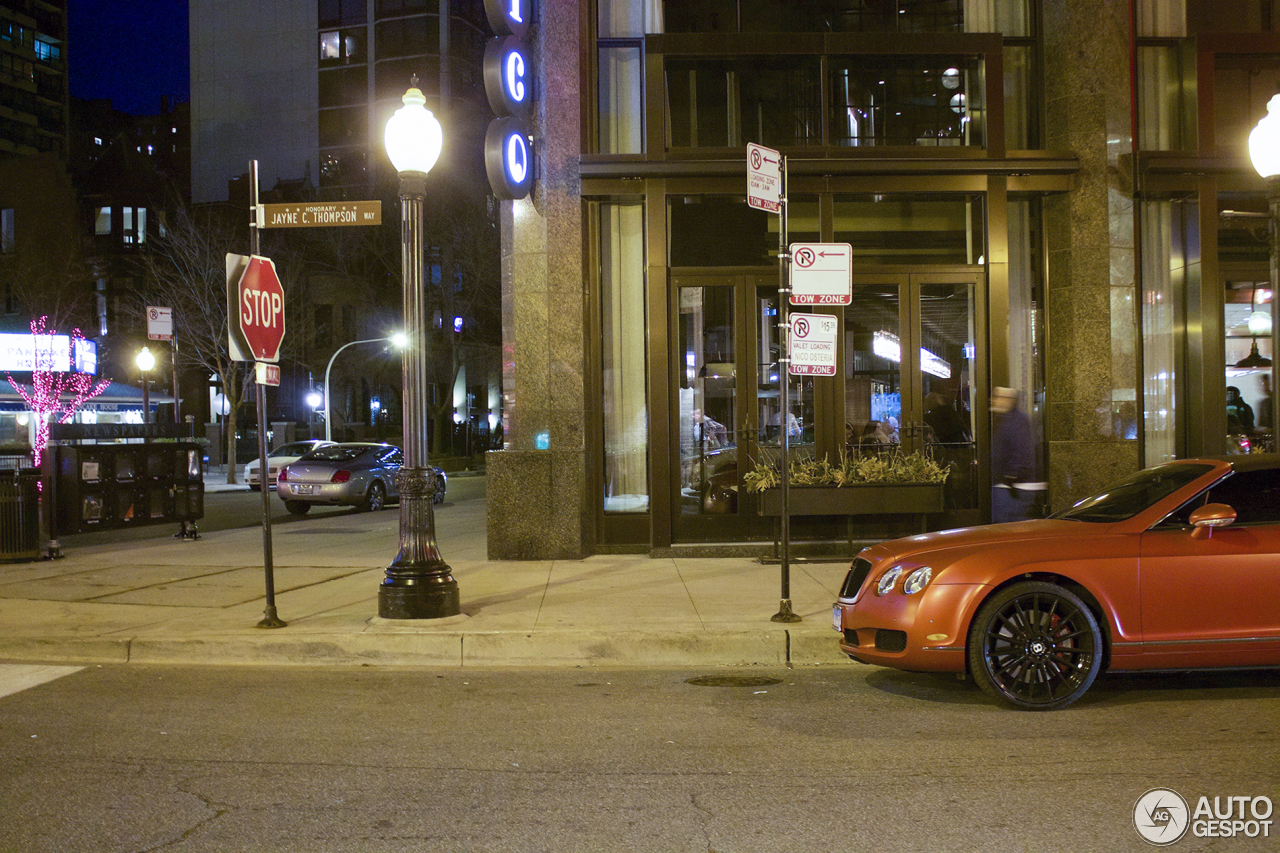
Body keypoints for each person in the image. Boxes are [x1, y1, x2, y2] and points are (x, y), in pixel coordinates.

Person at [990, 386, 1035, 523]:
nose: (993, 400)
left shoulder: (1015, 421)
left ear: (1008, 400)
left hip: (1012, 488)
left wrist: (1010, 476)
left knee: (1007, 527)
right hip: (1011, 486)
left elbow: (1021, 449)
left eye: (997, 397)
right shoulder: (1008, 420)